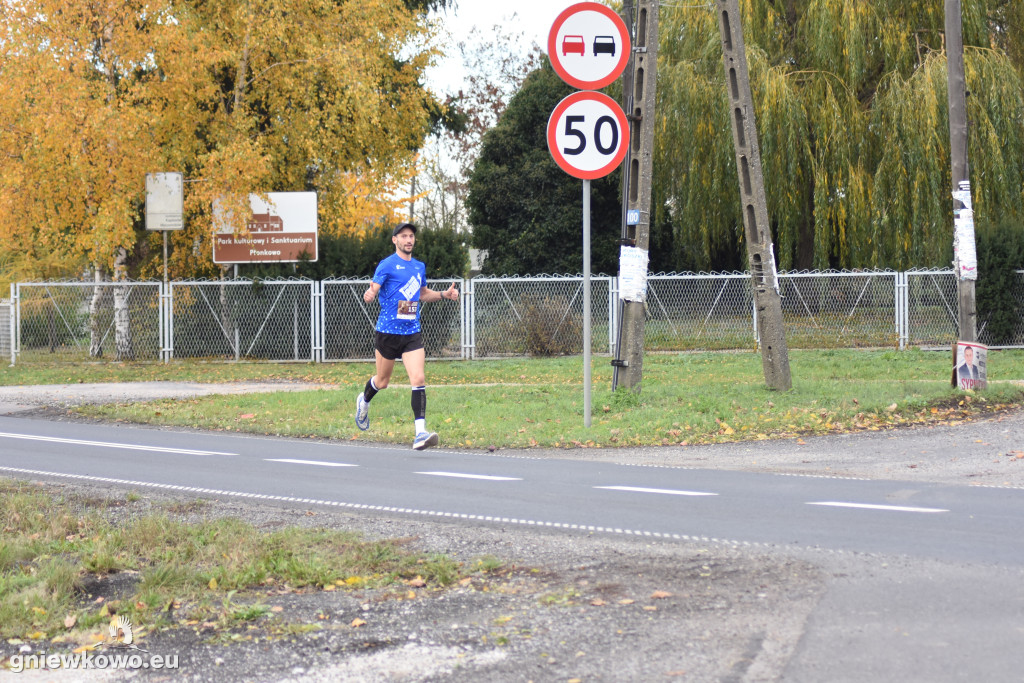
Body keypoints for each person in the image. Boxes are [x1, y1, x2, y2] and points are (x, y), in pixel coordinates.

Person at [355, 222, 459, 450]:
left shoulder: (419, 267)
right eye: (403, 236)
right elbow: (373, 287)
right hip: (388, 333)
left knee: (418, 379)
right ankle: (364, 401)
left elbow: (422, 293)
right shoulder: (387, 265)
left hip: (412, 332)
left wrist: (444, 294)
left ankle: (420, 434)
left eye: (411, 236)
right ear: (395, 240)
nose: (408, 240)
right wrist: (370, 293)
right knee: (382, 382)